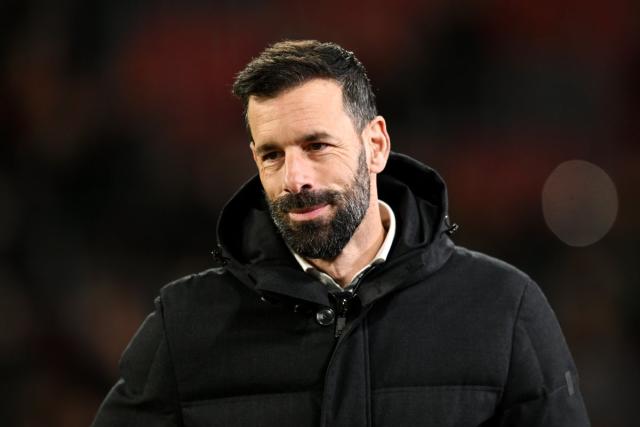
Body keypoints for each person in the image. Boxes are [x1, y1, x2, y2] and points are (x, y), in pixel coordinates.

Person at [92, 40, 590, 426]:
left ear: (375, 145)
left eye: (317, 146)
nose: (295, 179)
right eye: (273, 155)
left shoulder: (504, 310)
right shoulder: (185, 326)